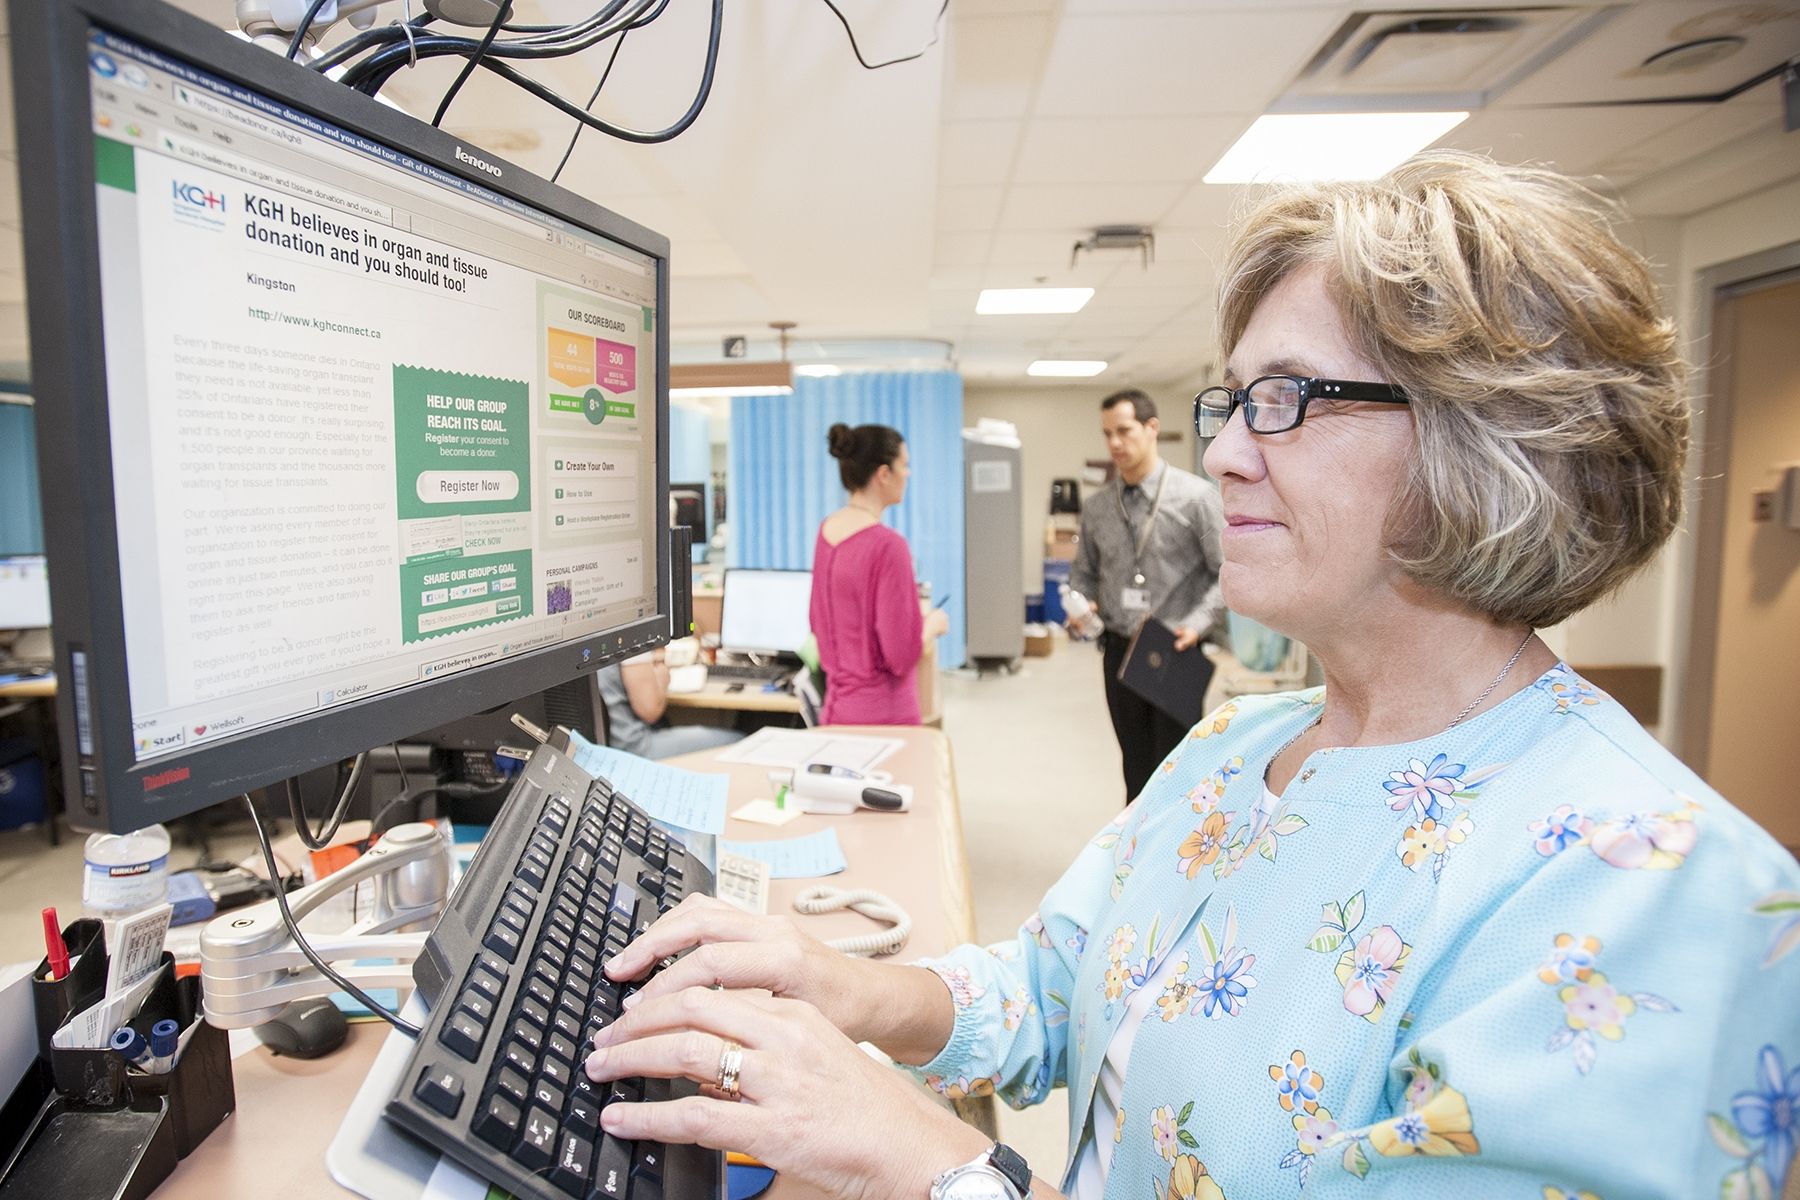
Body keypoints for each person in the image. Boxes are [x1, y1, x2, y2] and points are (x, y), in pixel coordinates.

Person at [580, 154, 1800, 1197]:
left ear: (1489, 440)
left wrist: (930, 1162)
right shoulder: (1240, 747)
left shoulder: (1646, 896)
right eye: (1231, 401)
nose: (1220, 450)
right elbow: (1048, 991)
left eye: (1283, 402)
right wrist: (844, 986)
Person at [1068, 389, 1226, 804]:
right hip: (1118, 649)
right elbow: (1083, 573)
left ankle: (1177, 862)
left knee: (1176, 771)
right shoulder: (1099, 507)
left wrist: (1194, 626)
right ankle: (1134, 862)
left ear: (1151, 428)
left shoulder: (1195, 498)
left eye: (1124, 431)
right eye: (1107, 434)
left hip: (1173, 648)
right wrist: (1082, 606)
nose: (1115, 443)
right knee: (1134, 767)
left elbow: (1227, 573)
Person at [808, 422, 949, 725]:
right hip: (885, 718)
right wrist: (932, 625)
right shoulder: (889, 546)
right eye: (904, 465)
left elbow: (817, 621)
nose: (908, 474)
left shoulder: (826, 532)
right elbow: (900, 654)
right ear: (884, 474)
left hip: (836, 712)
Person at [596, 648, 743, 759]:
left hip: (598, 747)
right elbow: (650, 711)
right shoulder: (630, 637)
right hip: (632, 748)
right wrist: (662, 679)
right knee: (739, 741)